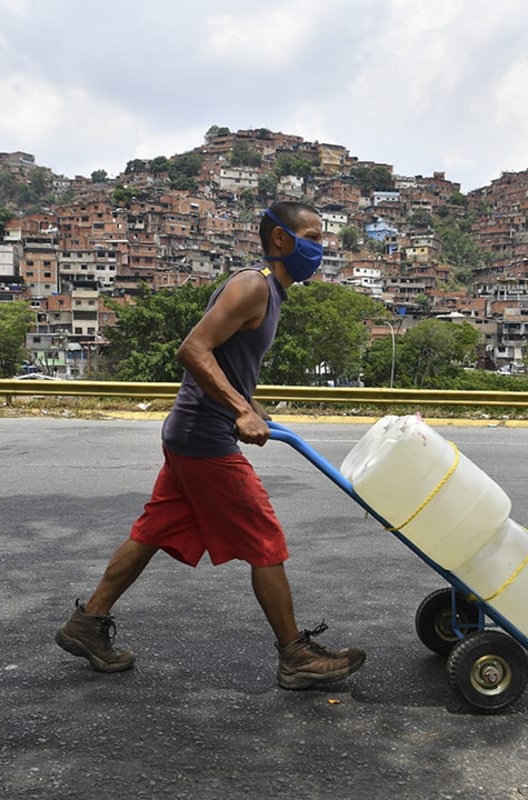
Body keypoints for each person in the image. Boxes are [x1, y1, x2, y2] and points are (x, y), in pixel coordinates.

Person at [55, 200, 365, 690]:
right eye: (314, 238)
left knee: (153, 530)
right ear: (282, 239)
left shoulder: (272, 292)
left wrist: (251, 405)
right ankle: (295, 655)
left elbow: (228, 361)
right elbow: (193, 349)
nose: (320, 249)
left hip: (190, 432)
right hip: (203, 436)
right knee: (264, 538)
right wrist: (238, 410)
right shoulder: (252, 286)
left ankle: (87, 624)